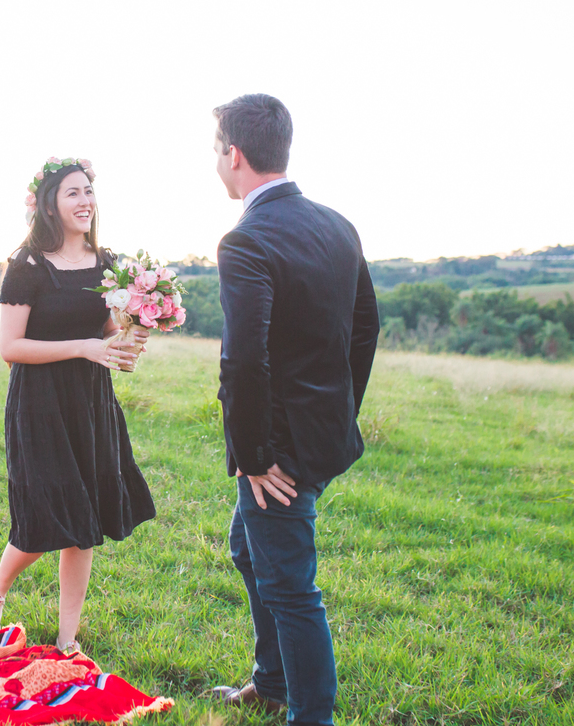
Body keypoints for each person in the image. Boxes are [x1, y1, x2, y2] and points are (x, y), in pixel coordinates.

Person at [207, 95, 380, 725]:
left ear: (236, 154)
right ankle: (271, 680)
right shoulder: (338, 224)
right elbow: (366, 330)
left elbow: (243, 361)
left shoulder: (246, 241)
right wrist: (338, 410)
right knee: (248, 550)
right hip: (320, 435)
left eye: (215, 150)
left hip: (277, 451)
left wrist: (254, 456)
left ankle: (311, 716)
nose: (215, 163)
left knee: (291, 588)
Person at [0, 157, 156, 653]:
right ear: (49, 202)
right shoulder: (27, 264)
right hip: (39, 404)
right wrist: (85, 348)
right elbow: (10, 348)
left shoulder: (107, 262)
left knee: (86, 524)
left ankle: (68, 640)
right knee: (43, 517)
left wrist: (127, 341)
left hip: (91, 400)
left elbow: (106, 332)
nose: (85, 201)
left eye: (89, 191)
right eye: (73, 193)